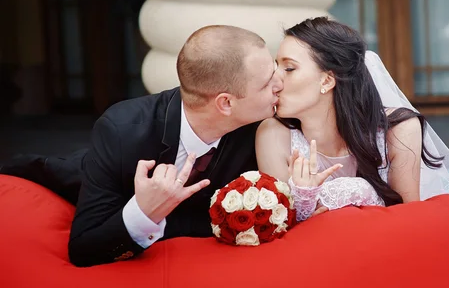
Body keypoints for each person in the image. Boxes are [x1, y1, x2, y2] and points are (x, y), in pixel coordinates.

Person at [1, 25, 283, 267]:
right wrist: (145, 213)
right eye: (268, 81)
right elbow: (84, 249)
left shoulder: (262, 126)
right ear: (225, 103)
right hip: (77, 182)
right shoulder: (123, 131)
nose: (281, 83)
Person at [256, 17, 449, 221]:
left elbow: (409, 218)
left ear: (327, 81)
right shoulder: (272, 134)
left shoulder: (399, 130)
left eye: (289, 68)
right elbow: (283, 225)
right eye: (277, 66)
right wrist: (304, 204)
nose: (275, 81)